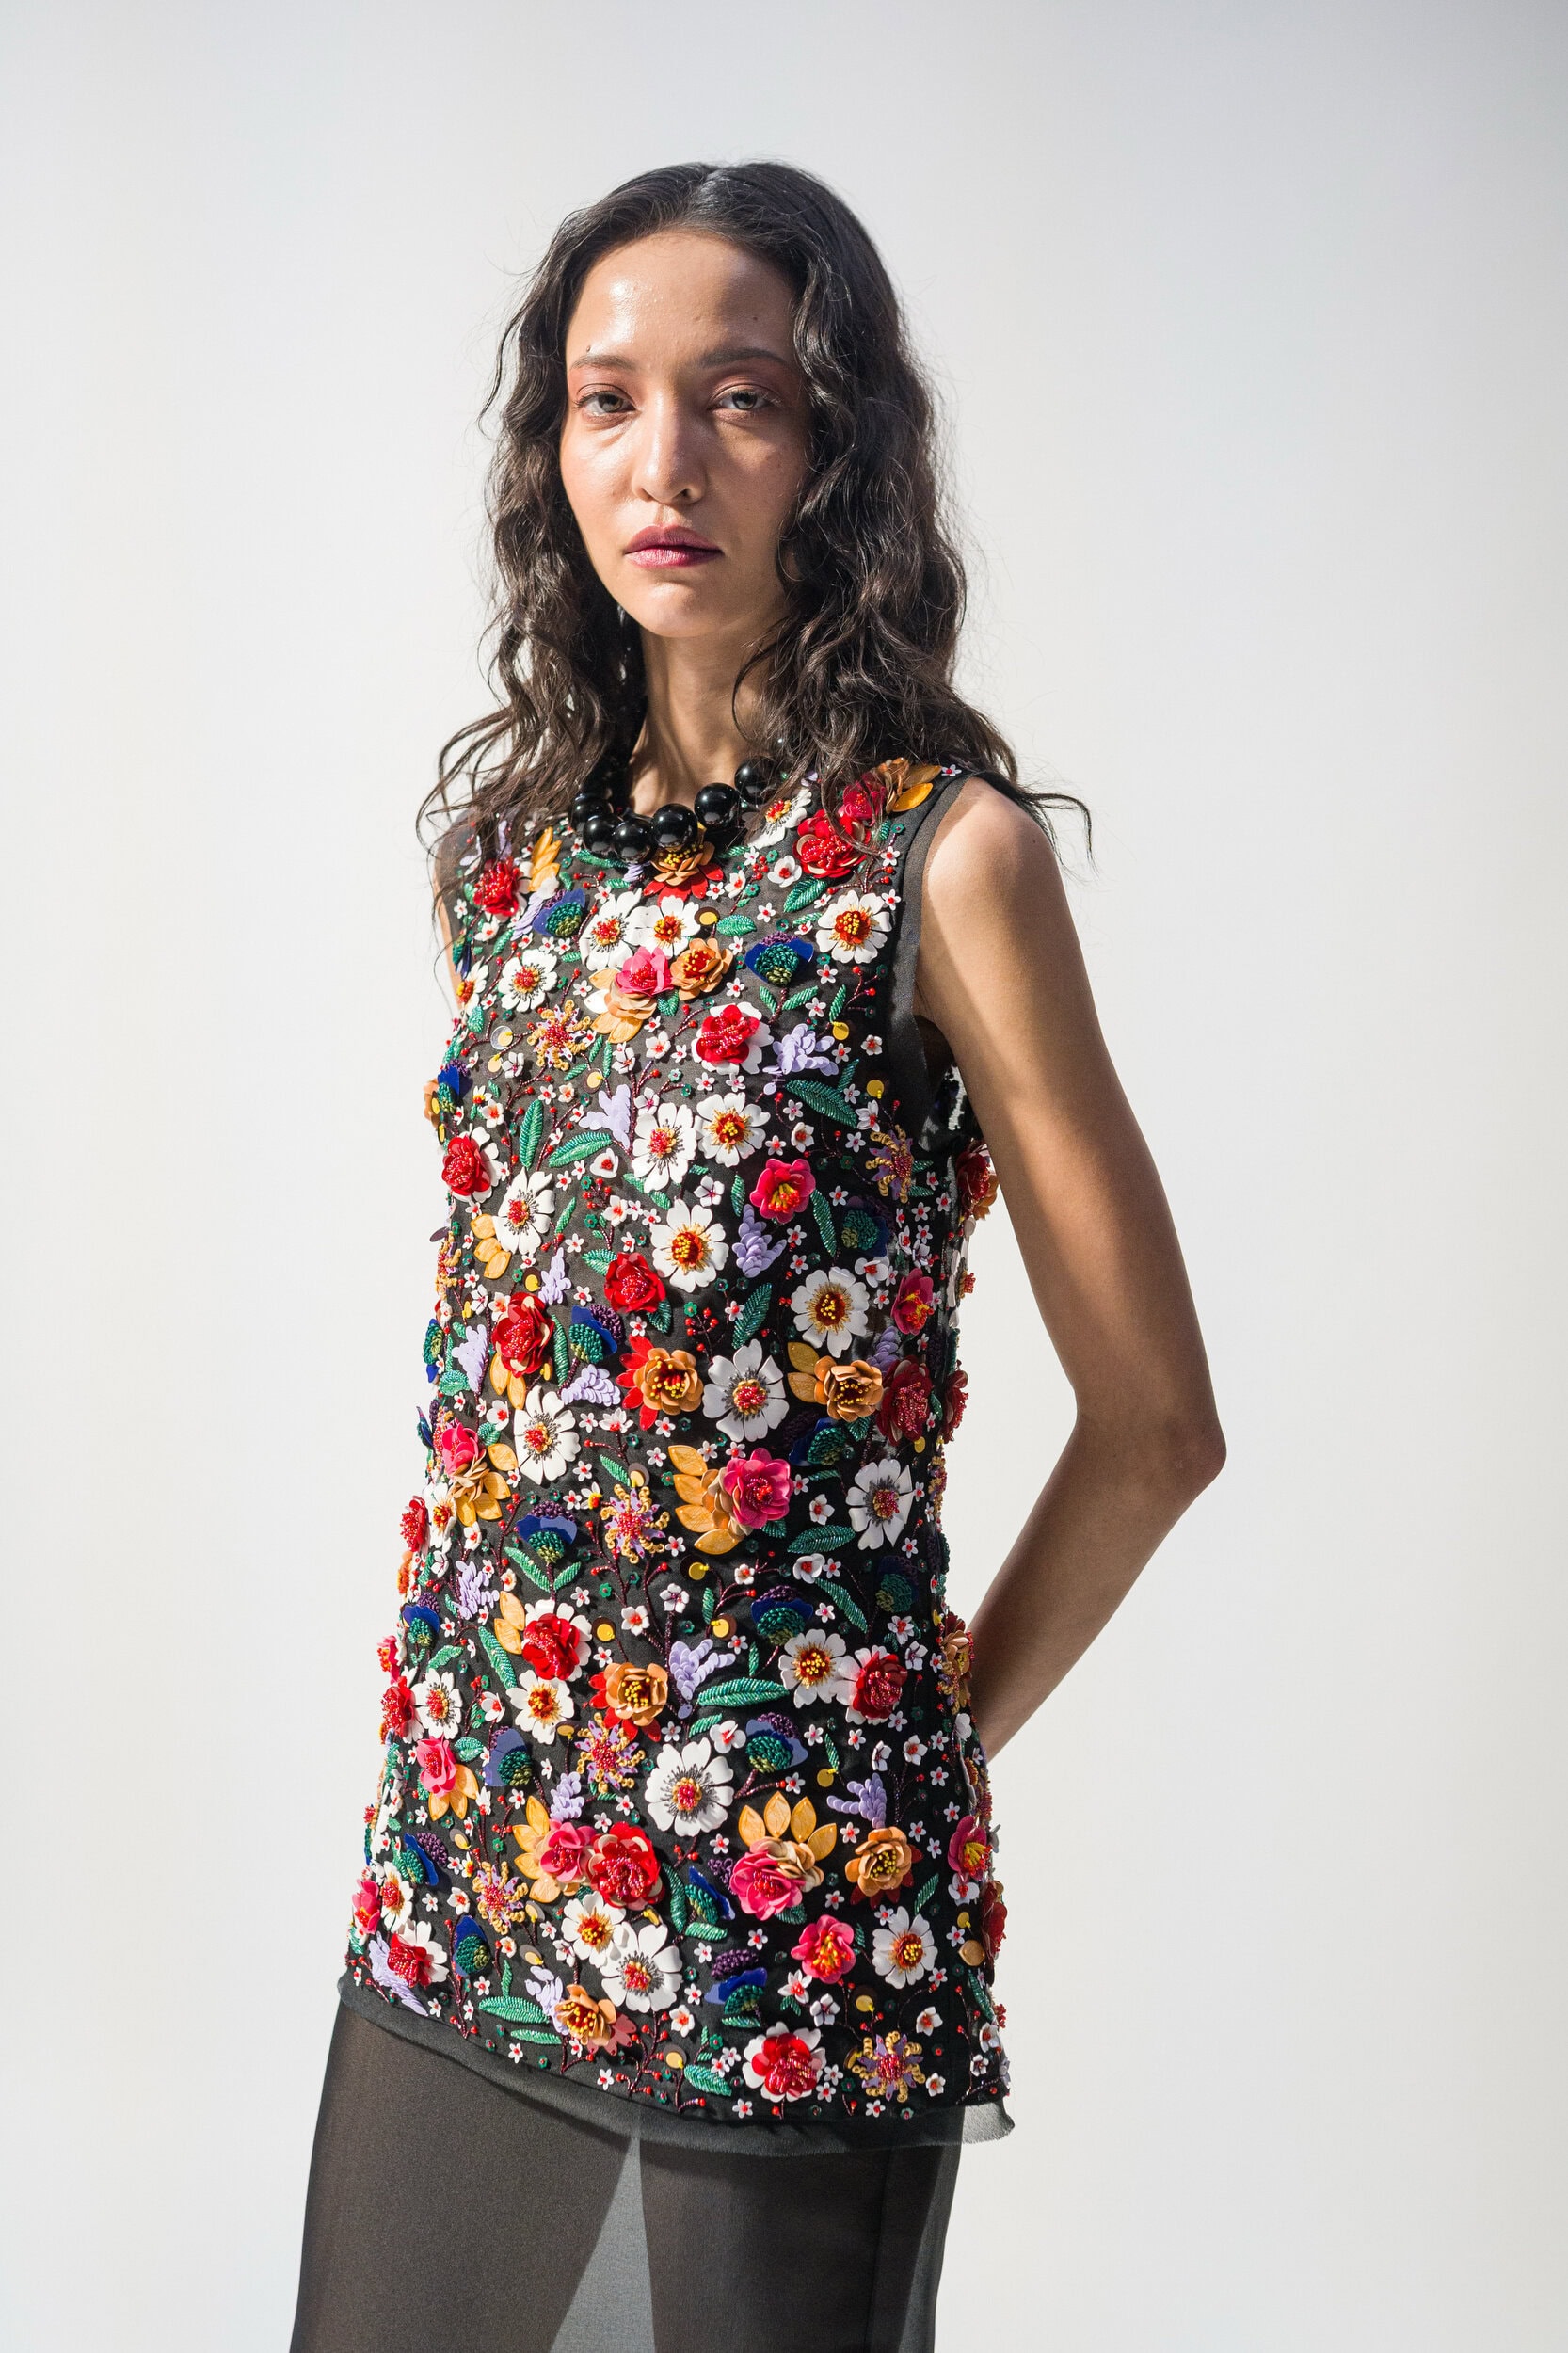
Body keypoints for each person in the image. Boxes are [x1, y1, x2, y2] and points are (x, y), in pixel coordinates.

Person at [289, 159, 1225, 2353]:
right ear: (551, 454)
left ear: (837, 449)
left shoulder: (939, 865)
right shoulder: (511, 870)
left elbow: (1156, 1422)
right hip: (469, 1860)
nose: (665, 463)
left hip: (781, 1909)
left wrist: (910, 1740)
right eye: (605, 400)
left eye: (741, 398)